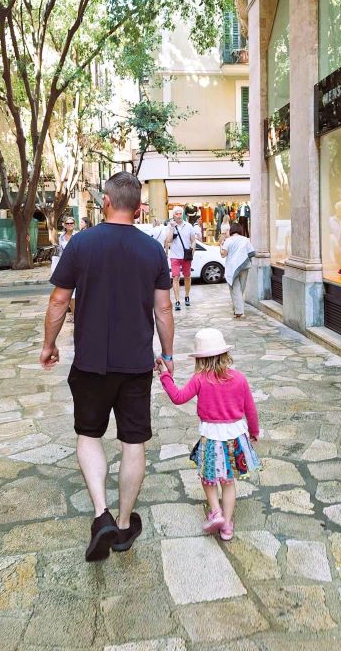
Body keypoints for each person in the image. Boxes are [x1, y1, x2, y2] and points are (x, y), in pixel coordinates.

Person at [40, 172, 175, 562]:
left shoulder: (81, 243)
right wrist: (166, 356)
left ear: (106, 203)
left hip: (90, 363)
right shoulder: (152, 251)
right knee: (133, 442)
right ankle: (123, 520)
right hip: (135, 365)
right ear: (138, 207)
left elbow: (57, 301)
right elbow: (163, 308)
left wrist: (49, 345)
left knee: (88, 435)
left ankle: (100, 514)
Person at [157, 328, 260, 541]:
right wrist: (254, 431)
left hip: (211, 438)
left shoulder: (199, 379)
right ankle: (227, 525)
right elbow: (250, 409)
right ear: (225, 354)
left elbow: (177, 397)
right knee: (228, 481)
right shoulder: (239, 379)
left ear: (200, 359)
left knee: (209, 478)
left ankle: (216, 511)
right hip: (235, 437)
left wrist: (165, 376)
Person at [221, 222, 255, 319]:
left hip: (232, 267)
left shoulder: (228, 241)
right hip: (244, 267)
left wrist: (221, 246)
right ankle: (237, 307)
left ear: (231, 230)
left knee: (235, 289)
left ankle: (239, 312)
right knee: (240, 289)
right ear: (240, 230)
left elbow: (223, 254)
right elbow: (252, 253)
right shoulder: (245, 240)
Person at [166, 206, 196, 311]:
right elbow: (168, 240)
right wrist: (171, 228)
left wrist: (193, 250)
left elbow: (193, 240)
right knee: (175, 277)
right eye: (176, 214)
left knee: (187, 277)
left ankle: (187, 296)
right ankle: (177, 300)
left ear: (182, 214)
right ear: (173, 215)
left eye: (180, 213)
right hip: (174, 256)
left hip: (186, 256)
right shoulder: (171, 226)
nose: (178, 216)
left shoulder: (189, 226)